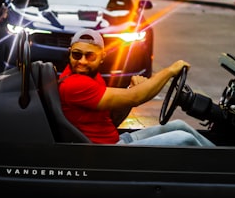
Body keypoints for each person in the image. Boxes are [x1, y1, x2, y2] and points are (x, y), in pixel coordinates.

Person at [58, 29, 214, 146]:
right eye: (77, 55)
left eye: (90, 56)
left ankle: (224, 163)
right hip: (106, 153)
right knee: (184, 139)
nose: (82, 62)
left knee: (180, 126)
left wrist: (130, 91)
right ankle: (224, 174)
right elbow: (136, 97)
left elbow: (112, 119)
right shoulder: (74, 83)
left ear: (102, 58)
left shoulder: (92, 77)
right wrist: (170, 71)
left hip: (116, 141)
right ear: (69, 53)